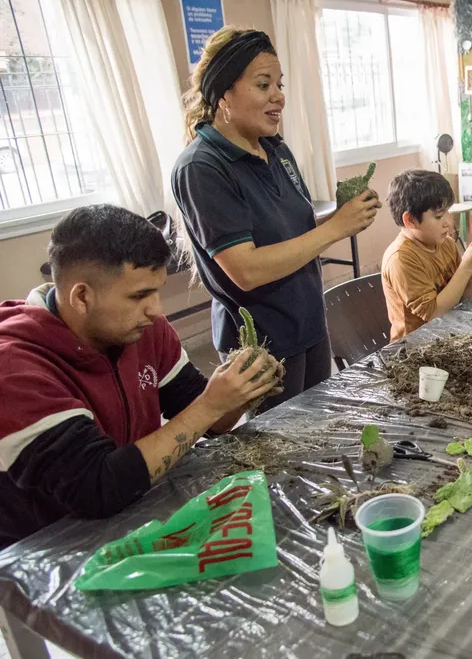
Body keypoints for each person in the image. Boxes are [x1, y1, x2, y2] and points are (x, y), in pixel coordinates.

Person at [0, 206, 281, 548]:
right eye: (139, 296)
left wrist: (243, 390)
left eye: (156, 291)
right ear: (82, 296)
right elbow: (97, 488)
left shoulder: (142, 330)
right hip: (46, 549)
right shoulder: (15, 366)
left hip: (132, 508)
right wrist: (209, 405)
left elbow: (202, 417)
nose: (156, 310)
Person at [172, 27, 381, 413]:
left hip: (308, 324)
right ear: (224, 95)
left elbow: (297, 236)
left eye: (279, 84)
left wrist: (344, 218)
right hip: (262, 344)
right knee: (279, 451)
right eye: (263, 84)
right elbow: (246, 270)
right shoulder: (202, 167)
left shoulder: (276, 150)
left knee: (317, 429)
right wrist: (336, 229)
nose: (278, 96)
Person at [381, 170, 472, 342]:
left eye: (448, 212)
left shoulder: (446, 243)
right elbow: (434, 314)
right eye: (438, 216)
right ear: (410, 220)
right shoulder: (401, 259)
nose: (449, 222)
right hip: (414, 347)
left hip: (447, 333)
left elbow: (463, 298)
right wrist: (467, 266)